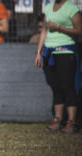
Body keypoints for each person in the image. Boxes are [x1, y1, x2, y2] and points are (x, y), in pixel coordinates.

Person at [34, 0, 82, 133]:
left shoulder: (71, 8)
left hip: (66, 52)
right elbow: (44, 30)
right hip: (49, 53)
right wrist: (38, 52)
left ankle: (71, 122)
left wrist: (59, 28)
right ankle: (57, 120)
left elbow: (79, 30)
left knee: (68, 87)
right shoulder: (48, 7)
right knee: (56, 87)